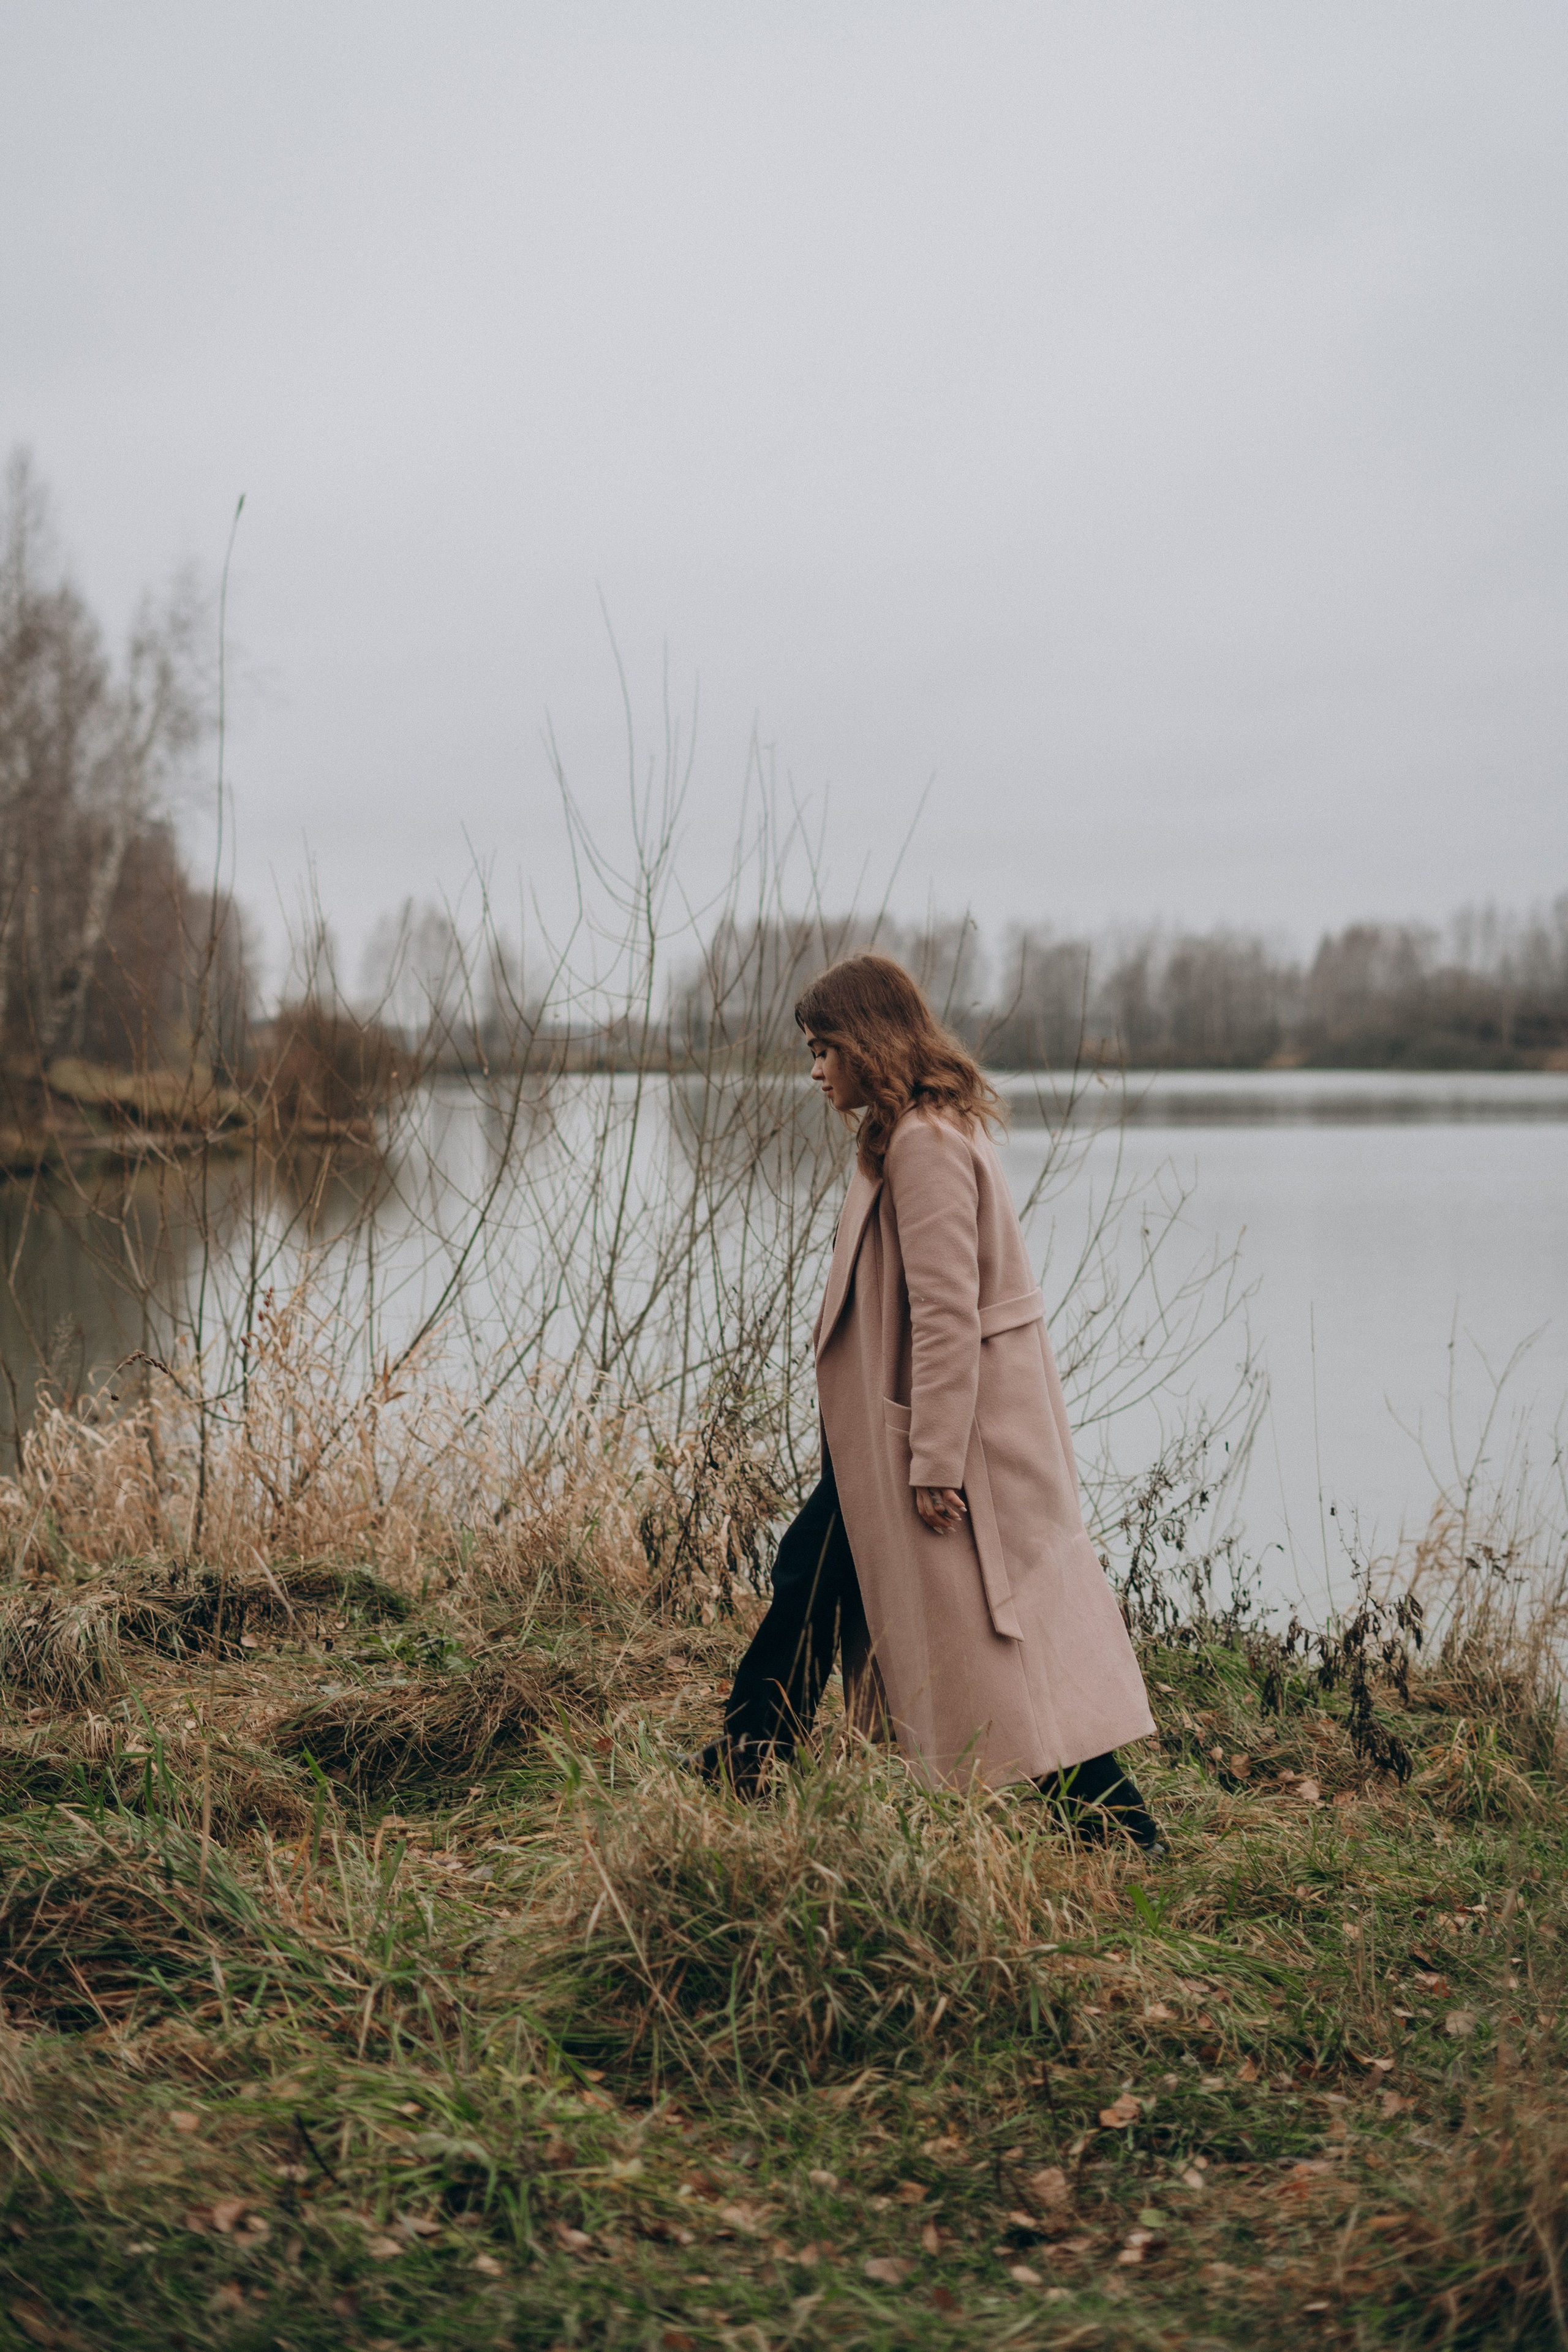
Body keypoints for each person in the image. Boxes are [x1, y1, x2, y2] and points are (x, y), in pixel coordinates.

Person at [690, 951, 1163, 1853]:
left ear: (869, 1042)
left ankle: (1120, 1828)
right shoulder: (911, 1132)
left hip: (936, 1437)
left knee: (1000, 1646)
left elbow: (949, 1313)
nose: (815, 1069)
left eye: (824, 1046)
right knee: (813, 1577)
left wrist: (934, 1459)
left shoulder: (924, 1144)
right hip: (888, 1426)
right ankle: (751, 1751)